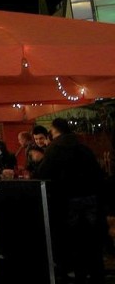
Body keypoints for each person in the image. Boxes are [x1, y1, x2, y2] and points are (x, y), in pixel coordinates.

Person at [36, 117, 106, 283]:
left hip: (67, 200)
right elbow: (97, 173)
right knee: (91, 238)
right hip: (91, 198)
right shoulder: (83, 146)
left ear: (53, 131)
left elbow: (42, 174)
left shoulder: (55, 148)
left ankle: (78, 273)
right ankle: (96, 273)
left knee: (72, 239)